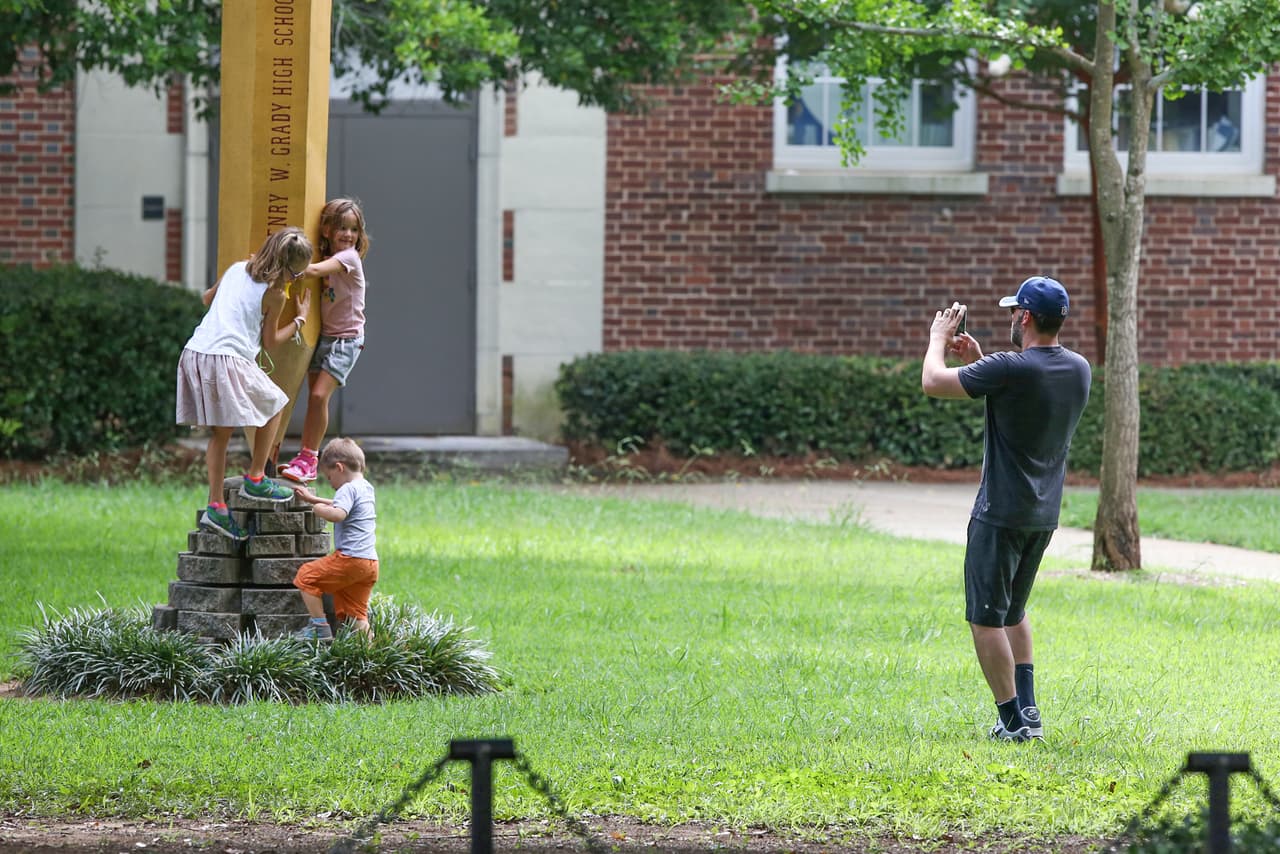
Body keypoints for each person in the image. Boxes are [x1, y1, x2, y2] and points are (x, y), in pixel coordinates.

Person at [920, 276, 1091, 742]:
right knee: (1014, 611)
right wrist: (980, 363)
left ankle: (1013, 722)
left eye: (1014, 310)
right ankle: (1029, 710)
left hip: (999, 512)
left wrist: (937, 340)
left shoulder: (1010, 368)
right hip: (1042, 514)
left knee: (985, 618)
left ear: (1026, 317)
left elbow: (933, 382)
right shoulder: (1078, 369)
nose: (1010, 317)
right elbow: (1021, 399)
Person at [177, 227, 314, 541]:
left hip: (197, 352)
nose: (296, 280)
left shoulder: (237, 269)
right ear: (287, 270)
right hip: (228, 358)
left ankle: (216, 506)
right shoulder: (276, 295)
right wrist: (300, 319)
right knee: (275, 403)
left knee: (221, 435)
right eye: (297, 274)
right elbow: (270, 343)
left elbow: (206, 298)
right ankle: (256, 477)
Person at [278, 199, 371, 484]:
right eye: (341, 227)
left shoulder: (349, 258)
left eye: (354, 229)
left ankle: (309, 458)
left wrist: (277, 263)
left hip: (346, 340)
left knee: (319, 395)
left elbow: (315, 271)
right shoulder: (326, 254)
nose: (348, 234)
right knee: (314, 401)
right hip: (325, 336)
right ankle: (306, 458)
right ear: (328, 229)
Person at [289, 437, 378, 640]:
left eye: (329, 478)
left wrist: (316, 508)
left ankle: (319, 628)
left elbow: (338, 513)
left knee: (306, 576)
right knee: (357, 615)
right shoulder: (365, 487)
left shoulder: (346, 488)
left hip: (351, 559)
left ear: (339, 467)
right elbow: (341, 503)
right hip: (369, 563)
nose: (331, 484)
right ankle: (373, 658)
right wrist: (314, 498)